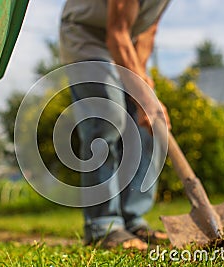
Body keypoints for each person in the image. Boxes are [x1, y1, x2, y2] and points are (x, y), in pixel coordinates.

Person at [59, 0, 172, 250]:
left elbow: (146, 31)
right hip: (85, 34)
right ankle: (103, 224)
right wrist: (143, 95)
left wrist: (141, 84)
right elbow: (117, 31)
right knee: (108, 117)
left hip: (123, 44)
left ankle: (133, 220)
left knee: (148, 125)